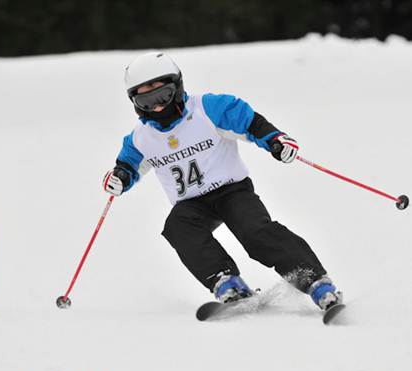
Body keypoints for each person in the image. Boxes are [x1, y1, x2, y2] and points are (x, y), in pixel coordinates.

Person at [103, 51, 342, 311]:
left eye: (162, 95)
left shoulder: (207, 108)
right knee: (178, 227)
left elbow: (249, 122)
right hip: (192, 203)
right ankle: (226, 282)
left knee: (254, 232)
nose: (158, 107)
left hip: (232, 191)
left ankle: (316, 282)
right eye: (147, 101)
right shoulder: (141, 137)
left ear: (177, 86)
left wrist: (276, 140)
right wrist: (120, 178)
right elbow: (127, 165)